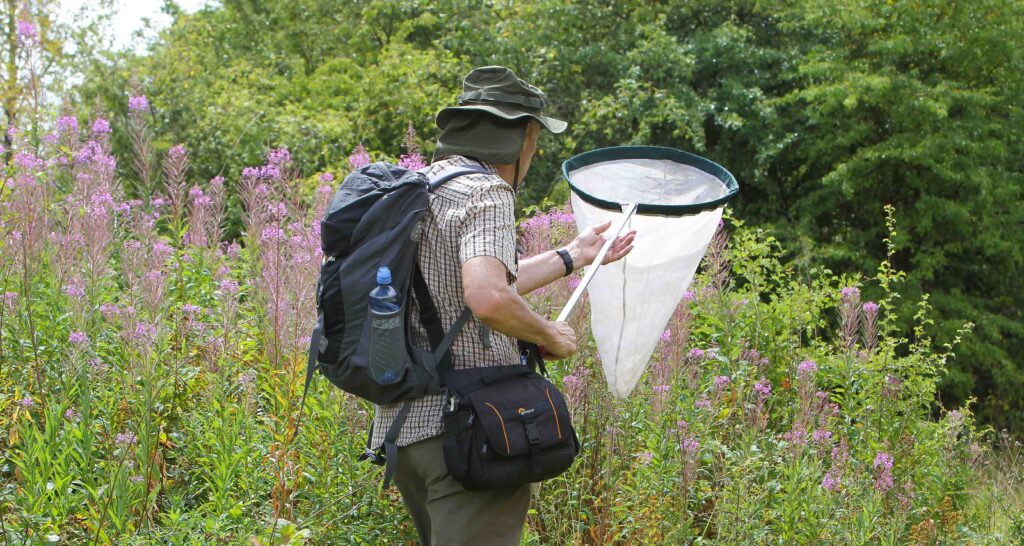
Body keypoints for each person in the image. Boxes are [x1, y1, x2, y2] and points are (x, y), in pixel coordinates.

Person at [371, 66, 636, 546]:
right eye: (534, 140)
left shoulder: (419, 189)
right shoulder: (487, 191)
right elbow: (488, 295)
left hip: (405, 430)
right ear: (522, 139)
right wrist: (546, 334)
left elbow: (477, 279)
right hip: (469, 430)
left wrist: (574, 255)